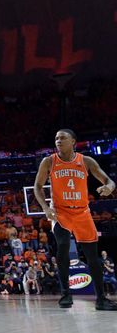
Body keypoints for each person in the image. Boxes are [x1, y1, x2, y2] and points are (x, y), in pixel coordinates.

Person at [33, 129, 117, 310]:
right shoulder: (49, 161)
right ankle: (65, 295)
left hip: (82, 212)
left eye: (62, 137)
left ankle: (101, 299)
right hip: (60, 212)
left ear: (73, 142)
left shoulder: (86, 161)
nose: (58, 140)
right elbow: (38, 186)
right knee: (63, 246)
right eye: (56, 138)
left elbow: (108, 180)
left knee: (92, 257)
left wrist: (109, 187)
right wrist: (46, 208)